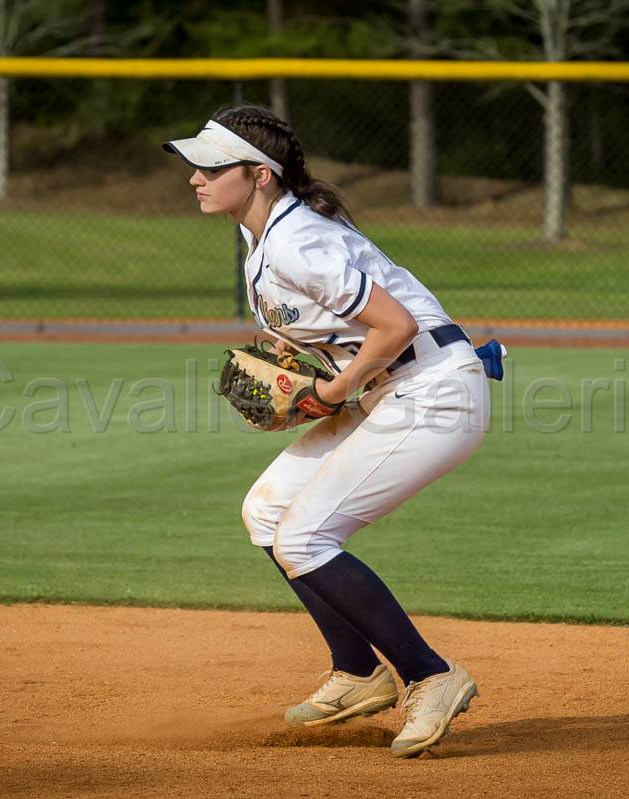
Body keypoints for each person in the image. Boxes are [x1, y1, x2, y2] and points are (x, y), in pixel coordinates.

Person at [163, 104, 492, 758]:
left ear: (259, 175)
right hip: (389, 387)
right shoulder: (265, 232)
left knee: (307, 534)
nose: (195, 178)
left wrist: (331, 391)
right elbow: (323, 325)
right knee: (268, 512)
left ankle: (431, 673)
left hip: (432, 391)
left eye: (210, 166)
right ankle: (358, 670)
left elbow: (393, 327)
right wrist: (299, 375)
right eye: (193, 167)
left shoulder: (297, 240)